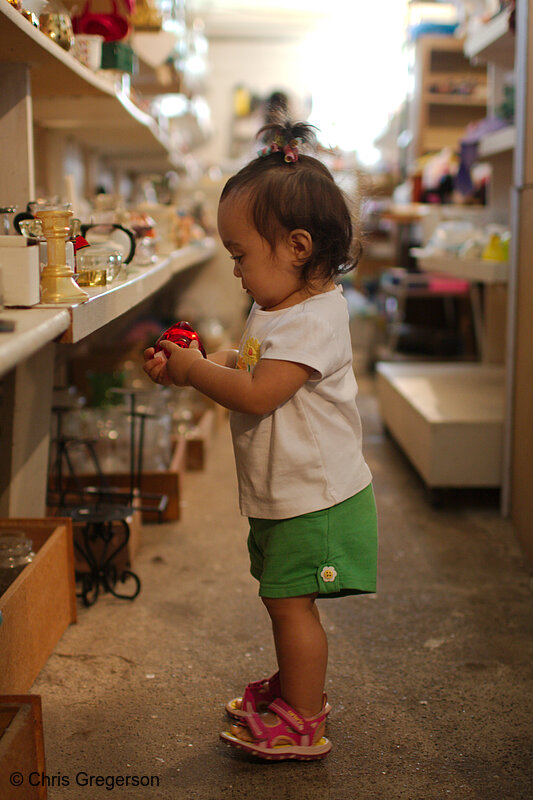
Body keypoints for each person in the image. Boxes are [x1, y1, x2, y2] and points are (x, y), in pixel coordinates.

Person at [143, 120, 378, 762]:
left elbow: (255, 393)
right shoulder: (279, 308)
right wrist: (201, 360)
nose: (237, 270)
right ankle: (295, 689)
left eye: (241, 255)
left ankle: (303, 716)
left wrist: (197, 374)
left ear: (297, 246)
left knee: (289, 605)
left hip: (316, 499)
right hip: (287, 491)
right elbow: (249, 363)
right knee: (282, 599)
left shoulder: (315, 319)